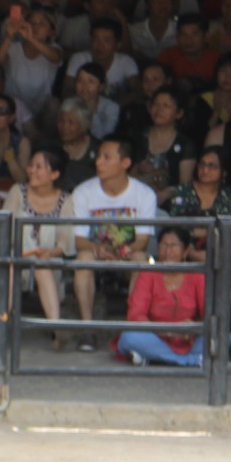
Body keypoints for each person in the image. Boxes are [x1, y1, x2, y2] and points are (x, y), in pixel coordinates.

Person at [69, 136, 160, 351]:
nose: (98, 162)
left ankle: (133, 327)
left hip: (128, 252)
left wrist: (124, 250)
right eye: (98, 156)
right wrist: (97, 249)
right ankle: (88, 329)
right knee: (83, 260)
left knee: (141, 261)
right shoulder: (83, 192)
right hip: (96, 252)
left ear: (125, 163)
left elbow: (142, 240)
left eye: (106, 157)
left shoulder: (144, 194)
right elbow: (80, 240)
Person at [7, 146, 79, 349]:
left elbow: (66, 241)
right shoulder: (17, 192)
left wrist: (49, 252)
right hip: (17, 256)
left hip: (48, 259)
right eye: (31, 165)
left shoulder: (66, 200)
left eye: (39, 167)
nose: (31, 170)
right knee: (11, 268)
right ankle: (1, 327)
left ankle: (57, 331)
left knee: (43, 268)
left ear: (54, 174)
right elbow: (5, 229)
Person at [118, 228, 207, 366]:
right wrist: (168, 331)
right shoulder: (148, 274)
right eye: (163, 245)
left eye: (174, 246)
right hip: (155, 336)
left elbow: (209, 314)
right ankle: (189, 361)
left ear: (185, 252)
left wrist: (194, 326)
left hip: (189, 339)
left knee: (224, 336)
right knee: (128, 338)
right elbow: (135, 315)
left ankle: (155, 357)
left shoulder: (197, 275)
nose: (168, 251)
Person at [161, 143, 231, 259]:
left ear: (224, 171)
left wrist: (202, 232)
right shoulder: (183, 192)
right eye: (202, 164)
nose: (205, 170)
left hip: (221, 250)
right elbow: (176, 225)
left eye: (212, 166)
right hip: (184, 250)